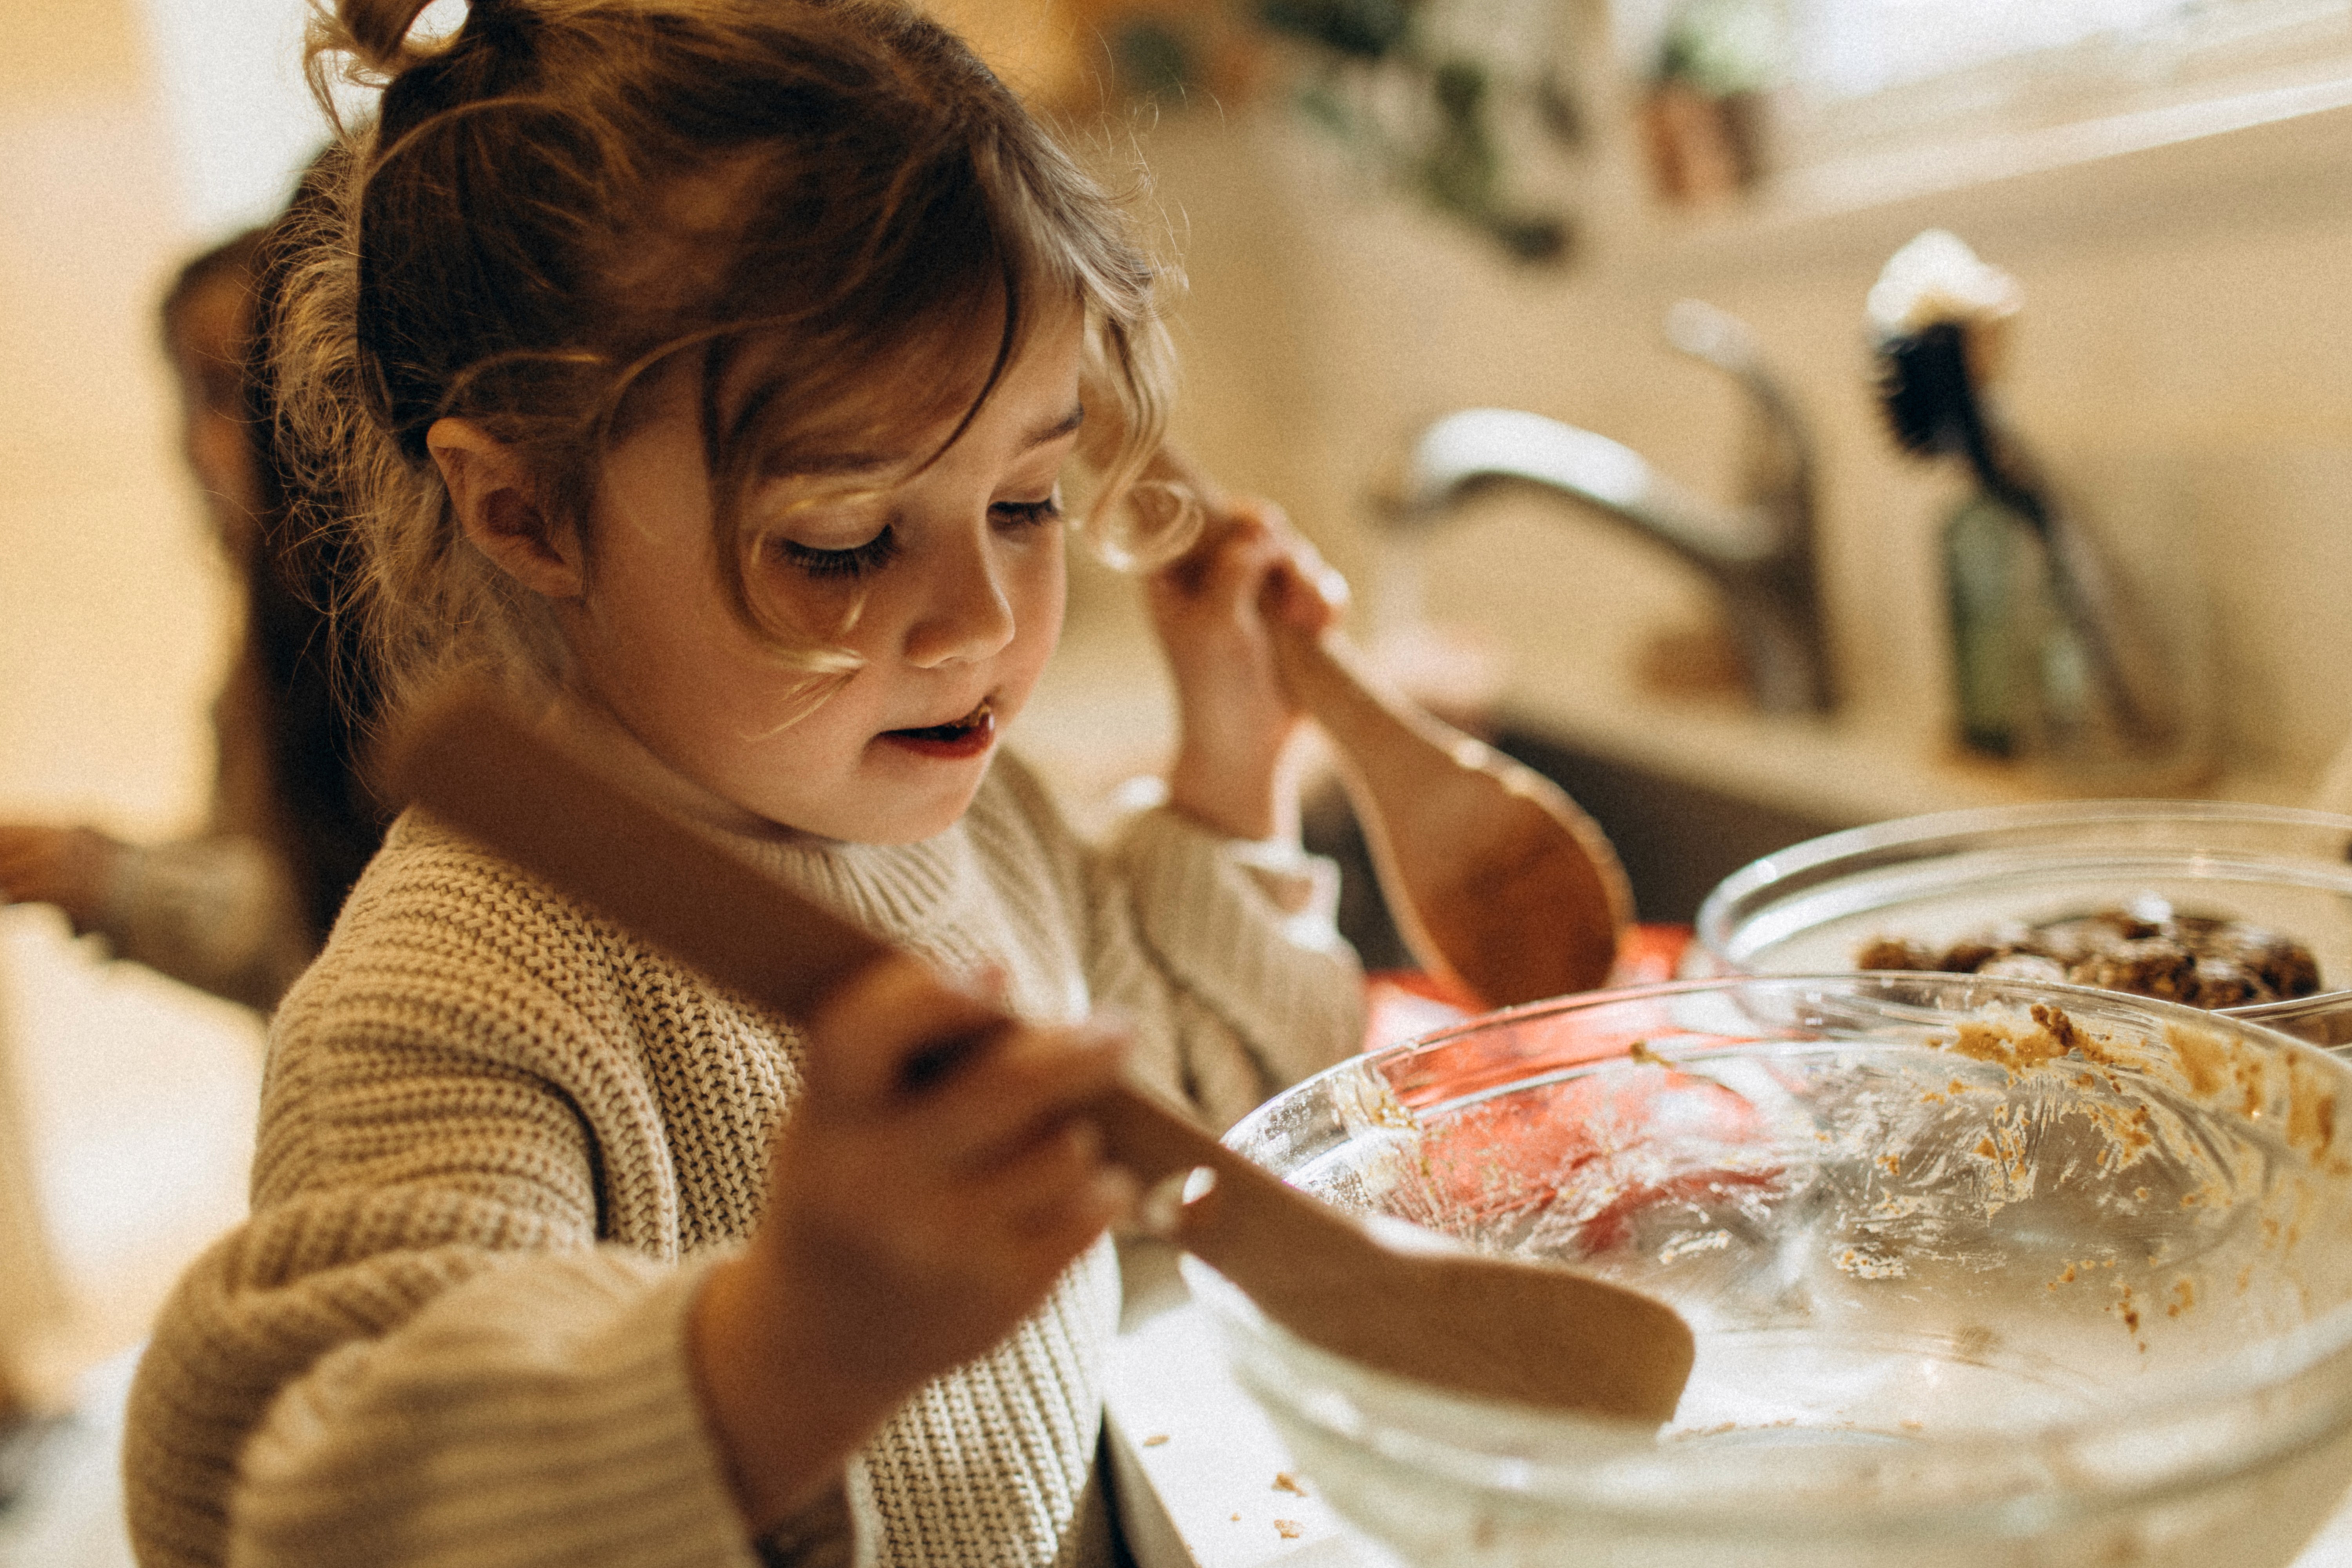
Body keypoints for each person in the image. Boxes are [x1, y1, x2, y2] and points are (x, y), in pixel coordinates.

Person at [123, 3, 1365, 1566]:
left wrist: (1235, 771)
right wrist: (785, 1346)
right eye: (843, 542)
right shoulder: (457, 997)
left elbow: (1195, 1133)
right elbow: (319, 1495)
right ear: (527, 510)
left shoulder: (980, 828)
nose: (982, 620)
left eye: (1028, 500)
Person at [0, 223, 387, 1013]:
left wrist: (109, 880)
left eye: (240, 389)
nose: (203, 447)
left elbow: (352, 926)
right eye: (200, 396)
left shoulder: (388, 633)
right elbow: (270, 870)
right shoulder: (264, 646)